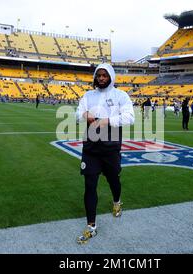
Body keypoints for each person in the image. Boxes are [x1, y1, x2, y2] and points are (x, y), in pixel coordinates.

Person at [75, 64, 135, 245]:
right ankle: (91, 226)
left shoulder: (120, 95)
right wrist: (85, 114)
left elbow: (130, 117)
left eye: (104, 75)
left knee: (113, 180)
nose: (101, 78)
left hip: (111, 146)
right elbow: (77, 114)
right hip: (91, 147)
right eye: (98, 75)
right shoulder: (88, 96)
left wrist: (106, 121)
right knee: (89, 184)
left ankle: (117, 201)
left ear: (111, 77)